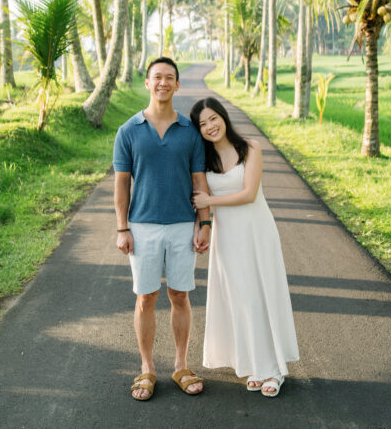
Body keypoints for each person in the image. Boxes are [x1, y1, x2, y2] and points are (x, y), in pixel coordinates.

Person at [113, 57, 212, 402]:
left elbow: (199, 181)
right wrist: (122, 228)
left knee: (180, 295)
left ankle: (181, 365)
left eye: (169, 77)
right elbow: (122, 185)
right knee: (146, 298)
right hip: (142, 227)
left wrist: (205, 223)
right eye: (157, 77)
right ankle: (146, 368)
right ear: (147, 83)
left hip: (183, 225)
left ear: (177, 84)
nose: (163, 83)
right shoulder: (128, 131)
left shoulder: (190, 132)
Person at [189, 96, 299, 398]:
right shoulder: (205, 161)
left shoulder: (250, 148)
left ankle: (274, 370)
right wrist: (203, 227)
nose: (210, 126)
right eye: (203, 124)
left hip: (256, 232)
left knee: (262, 296)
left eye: (213, 118)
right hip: (228, 237)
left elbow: (249, 194)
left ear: (223, 117)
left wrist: (209, 201)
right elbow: (198, 199)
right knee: (240, 300)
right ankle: (253, 364)